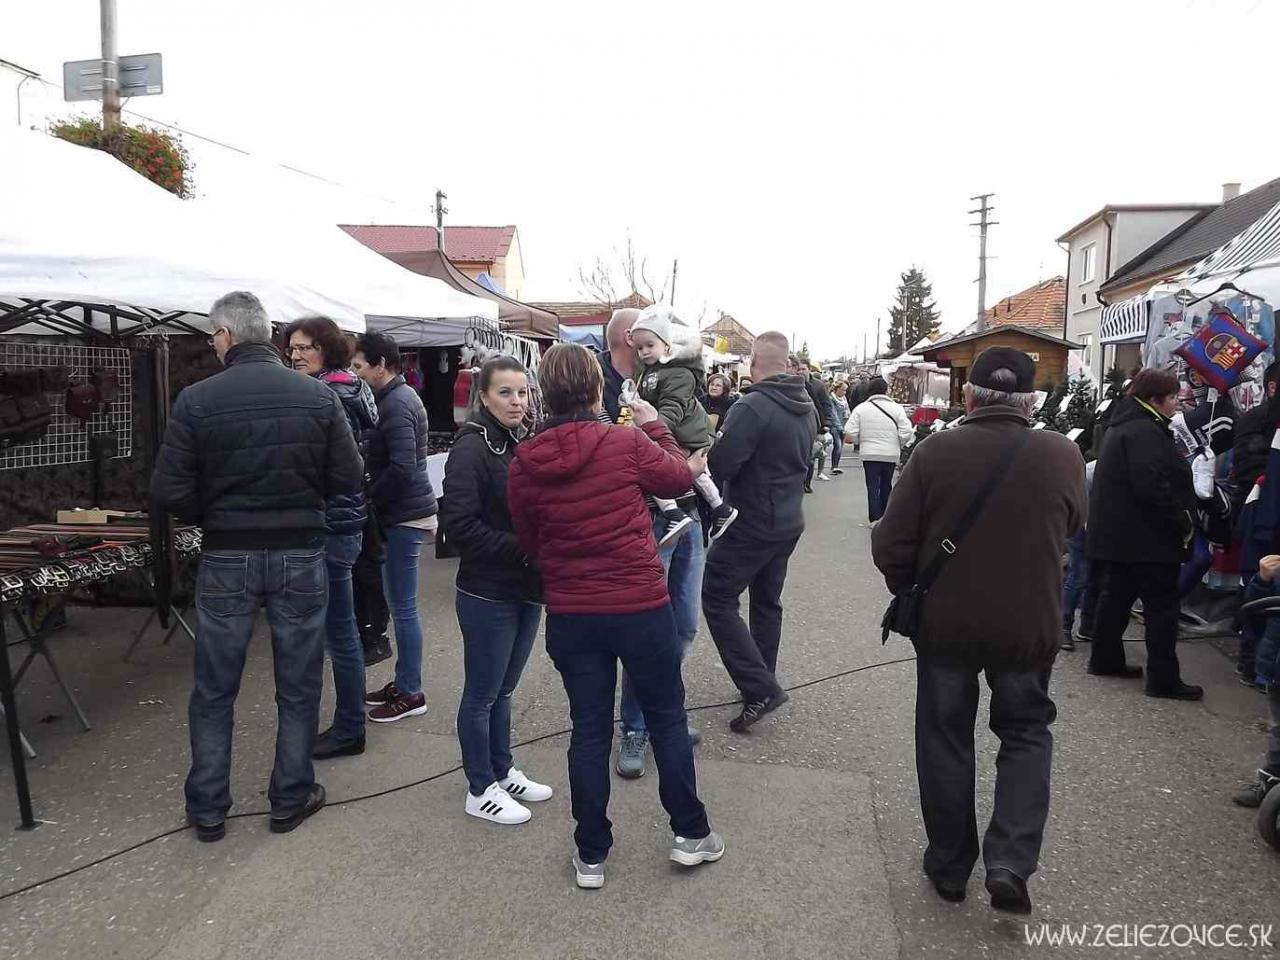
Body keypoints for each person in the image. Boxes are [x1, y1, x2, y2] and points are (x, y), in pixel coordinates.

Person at [872, 347, 1086, 914]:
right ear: (1030, 401)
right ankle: (1010, 860)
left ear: (968, 397)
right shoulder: (1062, 453)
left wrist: (910, 588)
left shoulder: (935, 451)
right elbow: (1073, 524)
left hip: (947, 624)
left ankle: (949, 865)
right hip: (1029, 625)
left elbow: (890, 542)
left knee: (944, 737)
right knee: (1026, 733)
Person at [507, 343, 723, 890]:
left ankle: (591, 854)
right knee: (666, 717)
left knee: (588, 729)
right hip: (638, 605)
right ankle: (691, 833)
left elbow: (530, 539)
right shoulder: (625, 442)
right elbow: (677, 479)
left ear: (543, 393)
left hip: (573, 612)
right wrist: (656, 427)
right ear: (596, 389)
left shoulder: (525, 460)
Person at [151, 291, 362, 841]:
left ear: (226, 336)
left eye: (212, 337)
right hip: (299, 553)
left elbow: (168, 488)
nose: (212, 345)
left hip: (227, 554)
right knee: (299, 683)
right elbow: (348, 476)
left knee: (214, 687)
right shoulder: (317, 397)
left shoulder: (196, 399)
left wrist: (215, 515)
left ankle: (208, 807)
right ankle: (290, 796)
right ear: (266, 335)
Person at [440, 357, 552, 825]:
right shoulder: (472, 447)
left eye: (522, 392)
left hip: (525, 587)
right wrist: (525, 550)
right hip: (488, 591)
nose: (516, 401)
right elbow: (459, 527)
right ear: (483, 396)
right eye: (505, 393)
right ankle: (479, 787)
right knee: (483, 694)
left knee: (504, 690)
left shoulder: (517, 440)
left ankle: (502, 770)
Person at [702, 332, 817, 733]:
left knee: (718, 599)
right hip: (788, 519)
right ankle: (761, 678)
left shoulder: (752, 406)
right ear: (786, 363)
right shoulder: (805, 404)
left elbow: (721, 464)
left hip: (750, 521)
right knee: (767, 602)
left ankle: (760, 687)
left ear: (753, 362)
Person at [283, 317, 378, 760]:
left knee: (338, 633)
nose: (296, 355)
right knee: (341, 630)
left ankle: (349, 727)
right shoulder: (351, 388)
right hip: (346, 522)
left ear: (327, 349)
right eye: (292, 348)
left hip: (331, 524)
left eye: (305, 347)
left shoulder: (326, 395)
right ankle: (349, 723)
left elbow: (326, 466)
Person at [1087, 368, 1202, 701]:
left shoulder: (1125, 424)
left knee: (1116, 599)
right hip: (1148, 539)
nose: (1177, 404)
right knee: (1161, 609)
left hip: (1120, 537)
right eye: (1173, 398)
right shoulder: (1145, 431)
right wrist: (1182, 519)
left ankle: (1105, 659)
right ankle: (1164, 679)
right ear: (1155, 399)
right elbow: (1151, 484)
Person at [353, 332, 438, 722]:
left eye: (359, 366)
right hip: (402, 513)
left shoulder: (398, 402)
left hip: (404, 515)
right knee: (400, 604)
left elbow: (403, 467)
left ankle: (411, 691)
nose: (355, 373)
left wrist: (371, 496)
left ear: (380, 365)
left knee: (403, 607)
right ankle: (405, 682)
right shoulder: (394, 398)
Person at [628, 308, 739, 546]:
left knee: (655, 468)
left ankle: (673, 513)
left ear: (667, 346)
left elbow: (672, 407)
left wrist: (652, 430)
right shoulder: (652, 371)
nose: (644, 351)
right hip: (688, 432)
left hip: (685, 431)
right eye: (639, 348)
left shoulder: (676, 373)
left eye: (650, 345)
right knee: (699, 474)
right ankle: (720, 508)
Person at [1231, 553, 1280, 807]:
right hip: (1276, 667)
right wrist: (1262, 580)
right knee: (1278, 730)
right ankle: (1270, 783)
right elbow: (1252, 611)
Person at [844, 376, 914, 524]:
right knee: (887, 485)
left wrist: (860, 442)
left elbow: (849, 431)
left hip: (869, 454)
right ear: (886, 390)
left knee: (872, 486)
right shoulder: (897, 408)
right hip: (890, 454)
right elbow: (907, 431)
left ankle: (874, 519)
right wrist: (899, 443)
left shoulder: (861, 409)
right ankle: (885, 518)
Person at [829, 382, 850, 476]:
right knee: (837, 445)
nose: (844, 392)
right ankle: (834, 467)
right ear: (837, 389)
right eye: (843, 390)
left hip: (843, 425)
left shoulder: (844, 399)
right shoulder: (831, 399)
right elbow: (833, 415)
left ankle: (835, 465)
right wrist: (840, 428)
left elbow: (847, 411)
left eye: (845, 390)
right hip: (834, 426)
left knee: (840, 446)